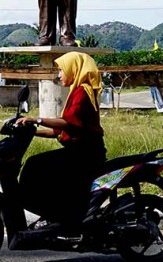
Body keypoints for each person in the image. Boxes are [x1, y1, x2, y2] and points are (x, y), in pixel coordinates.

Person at [12, 51, 106, 239]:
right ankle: (55, 215)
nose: (59, 75)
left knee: (34, 165)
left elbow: (67, 123)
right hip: (81, 151)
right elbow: (59, 131)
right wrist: (30, 130)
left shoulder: (82, 92)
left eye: (62, 70)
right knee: (37, 165)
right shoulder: (77, 90)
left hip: (85, 154)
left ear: (74, 69)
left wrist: (36, 119)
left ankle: (56, 216)